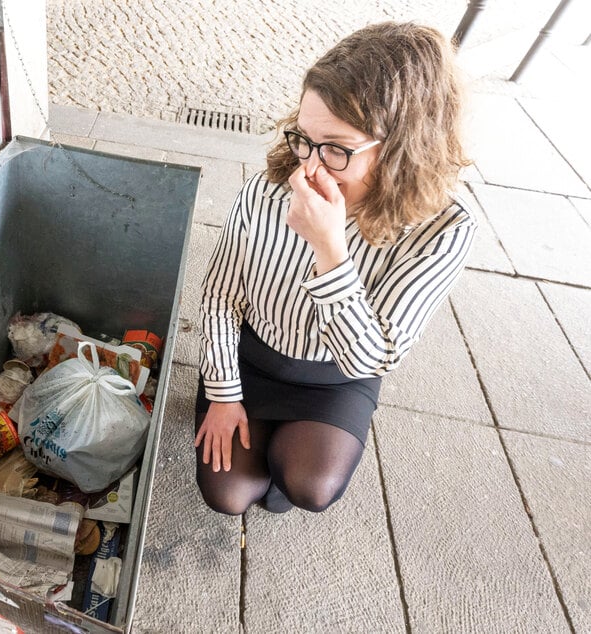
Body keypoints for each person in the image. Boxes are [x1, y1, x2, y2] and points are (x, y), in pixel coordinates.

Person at [194, 22, 477, 515]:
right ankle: (262, 454)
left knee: (309, 486)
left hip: (336, 379)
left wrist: (330, 248)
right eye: (303, 137)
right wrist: (223, 393)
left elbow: (374, 356)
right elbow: (220, 295)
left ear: (402, 146)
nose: (309, 167)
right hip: (251, 355)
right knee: (228, 494)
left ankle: (284, 471)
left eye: (337, 149)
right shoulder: (270, 188)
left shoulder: (443, 228)